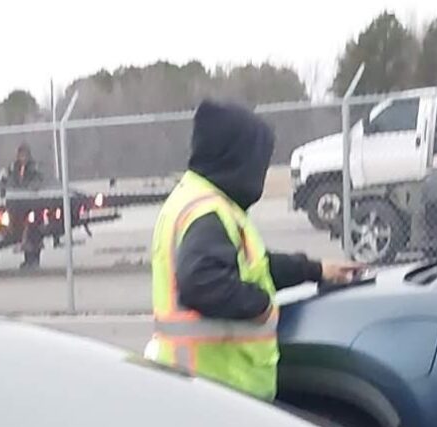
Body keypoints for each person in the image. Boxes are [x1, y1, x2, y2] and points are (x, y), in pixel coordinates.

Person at [149, 98, 362, 398]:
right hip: (217, 388)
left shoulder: (198, 199)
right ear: (236, 158)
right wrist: (260, 306)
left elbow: (253, 266)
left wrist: (315, 270)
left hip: (204, 386)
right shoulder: (208, 211)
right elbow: (202, 282)